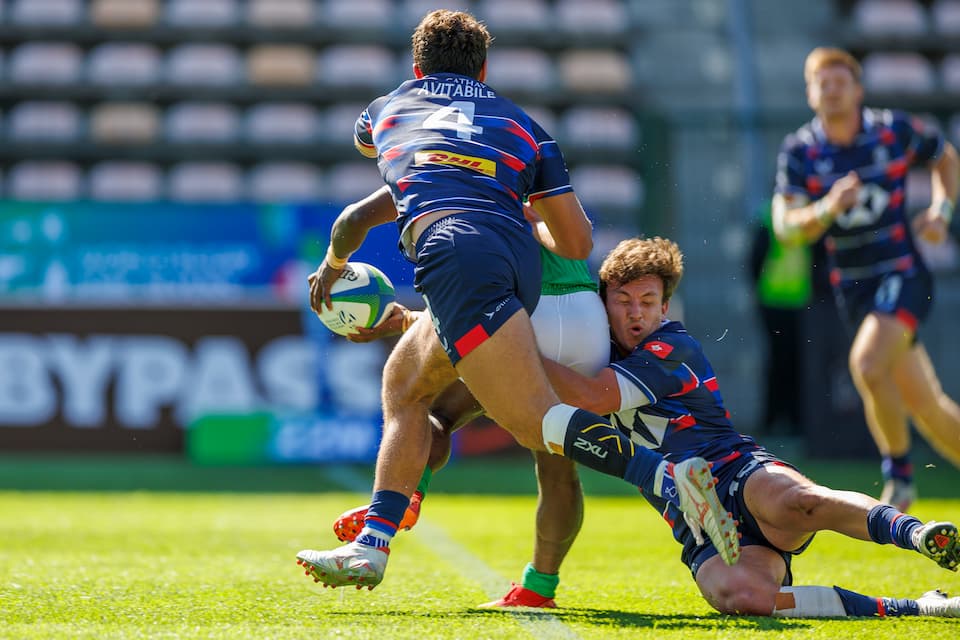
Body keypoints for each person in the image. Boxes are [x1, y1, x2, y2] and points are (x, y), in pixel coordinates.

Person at [295, 10, 738, 591]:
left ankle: (664, 479)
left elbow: (364, 187)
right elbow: (579, 243)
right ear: (484, 69)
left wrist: (330, 270)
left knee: (519, 418)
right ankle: (398, 541)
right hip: (525, 275)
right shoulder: (525, 128)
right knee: (423, 390)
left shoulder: (387, 108)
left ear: (415, 66)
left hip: (456, 250)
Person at [541, 235, 960, 617]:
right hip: (691, 517)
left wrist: (519, 352)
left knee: (800, 502)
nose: (636, 314)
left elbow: (595, 398)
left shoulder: (673, 346)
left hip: (736, 471)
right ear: (603, 303)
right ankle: (920, 607)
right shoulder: (593, 356)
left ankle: (918, 534)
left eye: (647, 302)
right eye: (623, 301)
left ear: (665, 307)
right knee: (744, 600)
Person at [322, 187, 609, 608]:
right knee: (555, 462)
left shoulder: (449, 182)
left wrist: (339, 269)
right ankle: (539, 587)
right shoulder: (533, 178)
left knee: (427, 409)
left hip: (528, 315)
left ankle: (407, 495)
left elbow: (480, 313)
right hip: (587, 318)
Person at [773, 46, 960, 511]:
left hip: (903, 272)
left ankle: (899, 479)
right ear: (810, 94)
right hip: (854, 289)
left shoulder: (893, 130)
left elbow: (945, 157)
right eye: (822, 84)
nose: (832, 91)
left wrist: (942, 210)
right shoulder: (800, 150)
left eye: (841, 83)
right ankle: (904, 470)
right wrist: (827, 208)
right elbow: (786, 227)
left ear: (858, 90)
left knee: (867, 364)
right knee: (928, 408)